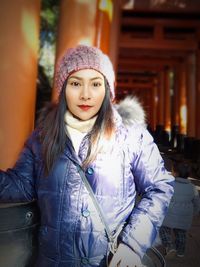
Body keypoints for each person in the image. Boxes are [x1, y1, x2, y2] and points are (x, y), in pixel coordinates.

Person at [0, 45, 174, 267]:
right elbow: (21, 185)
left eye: (95, 84)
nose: (85, 94)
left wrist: (133, 244)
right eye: (75, 83)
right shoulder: (42, 137)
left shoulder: (131, 136)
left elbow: (160, 187)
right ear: (64, 89)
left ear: (107, 89)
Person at [159, 161, 200, 259]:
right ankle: (180, 251)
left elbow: (162, 197)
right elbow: (197, 202)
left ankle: (169, 246)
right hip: (185, 215)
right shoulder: (193, 187)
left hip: (169, 214)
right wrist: (195, 212)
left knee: (164, 229)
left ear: (175, 173)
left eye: (172, 170)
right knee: (181, 232)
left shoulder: (169, 184)